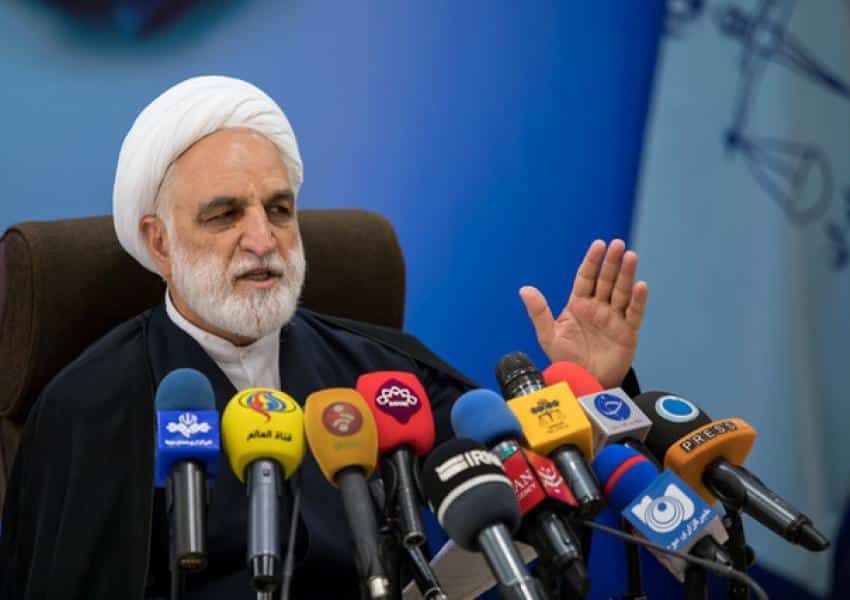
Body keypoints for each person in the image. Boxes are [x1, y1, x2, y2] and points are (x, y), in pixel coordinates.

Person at [0, 76, 648, 599]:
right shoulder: (90, 408)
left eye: (279, 209)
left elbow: (533, 503)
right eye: (225, 215)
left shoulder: (383, 374)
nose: (263, 239)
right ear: (160, 242)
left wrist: (588, 392)